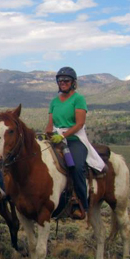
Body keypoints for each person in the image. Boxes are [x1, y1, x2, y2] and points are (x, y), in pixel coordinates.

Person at [45, 67, 105, 220]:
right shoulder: (54, 102)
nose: (63, 83)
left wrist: (63, 136)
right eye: (60, 80)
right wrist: (48, 133)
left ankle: (81, 203)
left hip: (75, 139)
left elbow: (79, 124)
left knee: (76, 166)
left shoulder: (78, 99)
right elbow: (50, 124)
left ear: (73, 83)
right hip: (57, 138)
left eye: (66, 80)